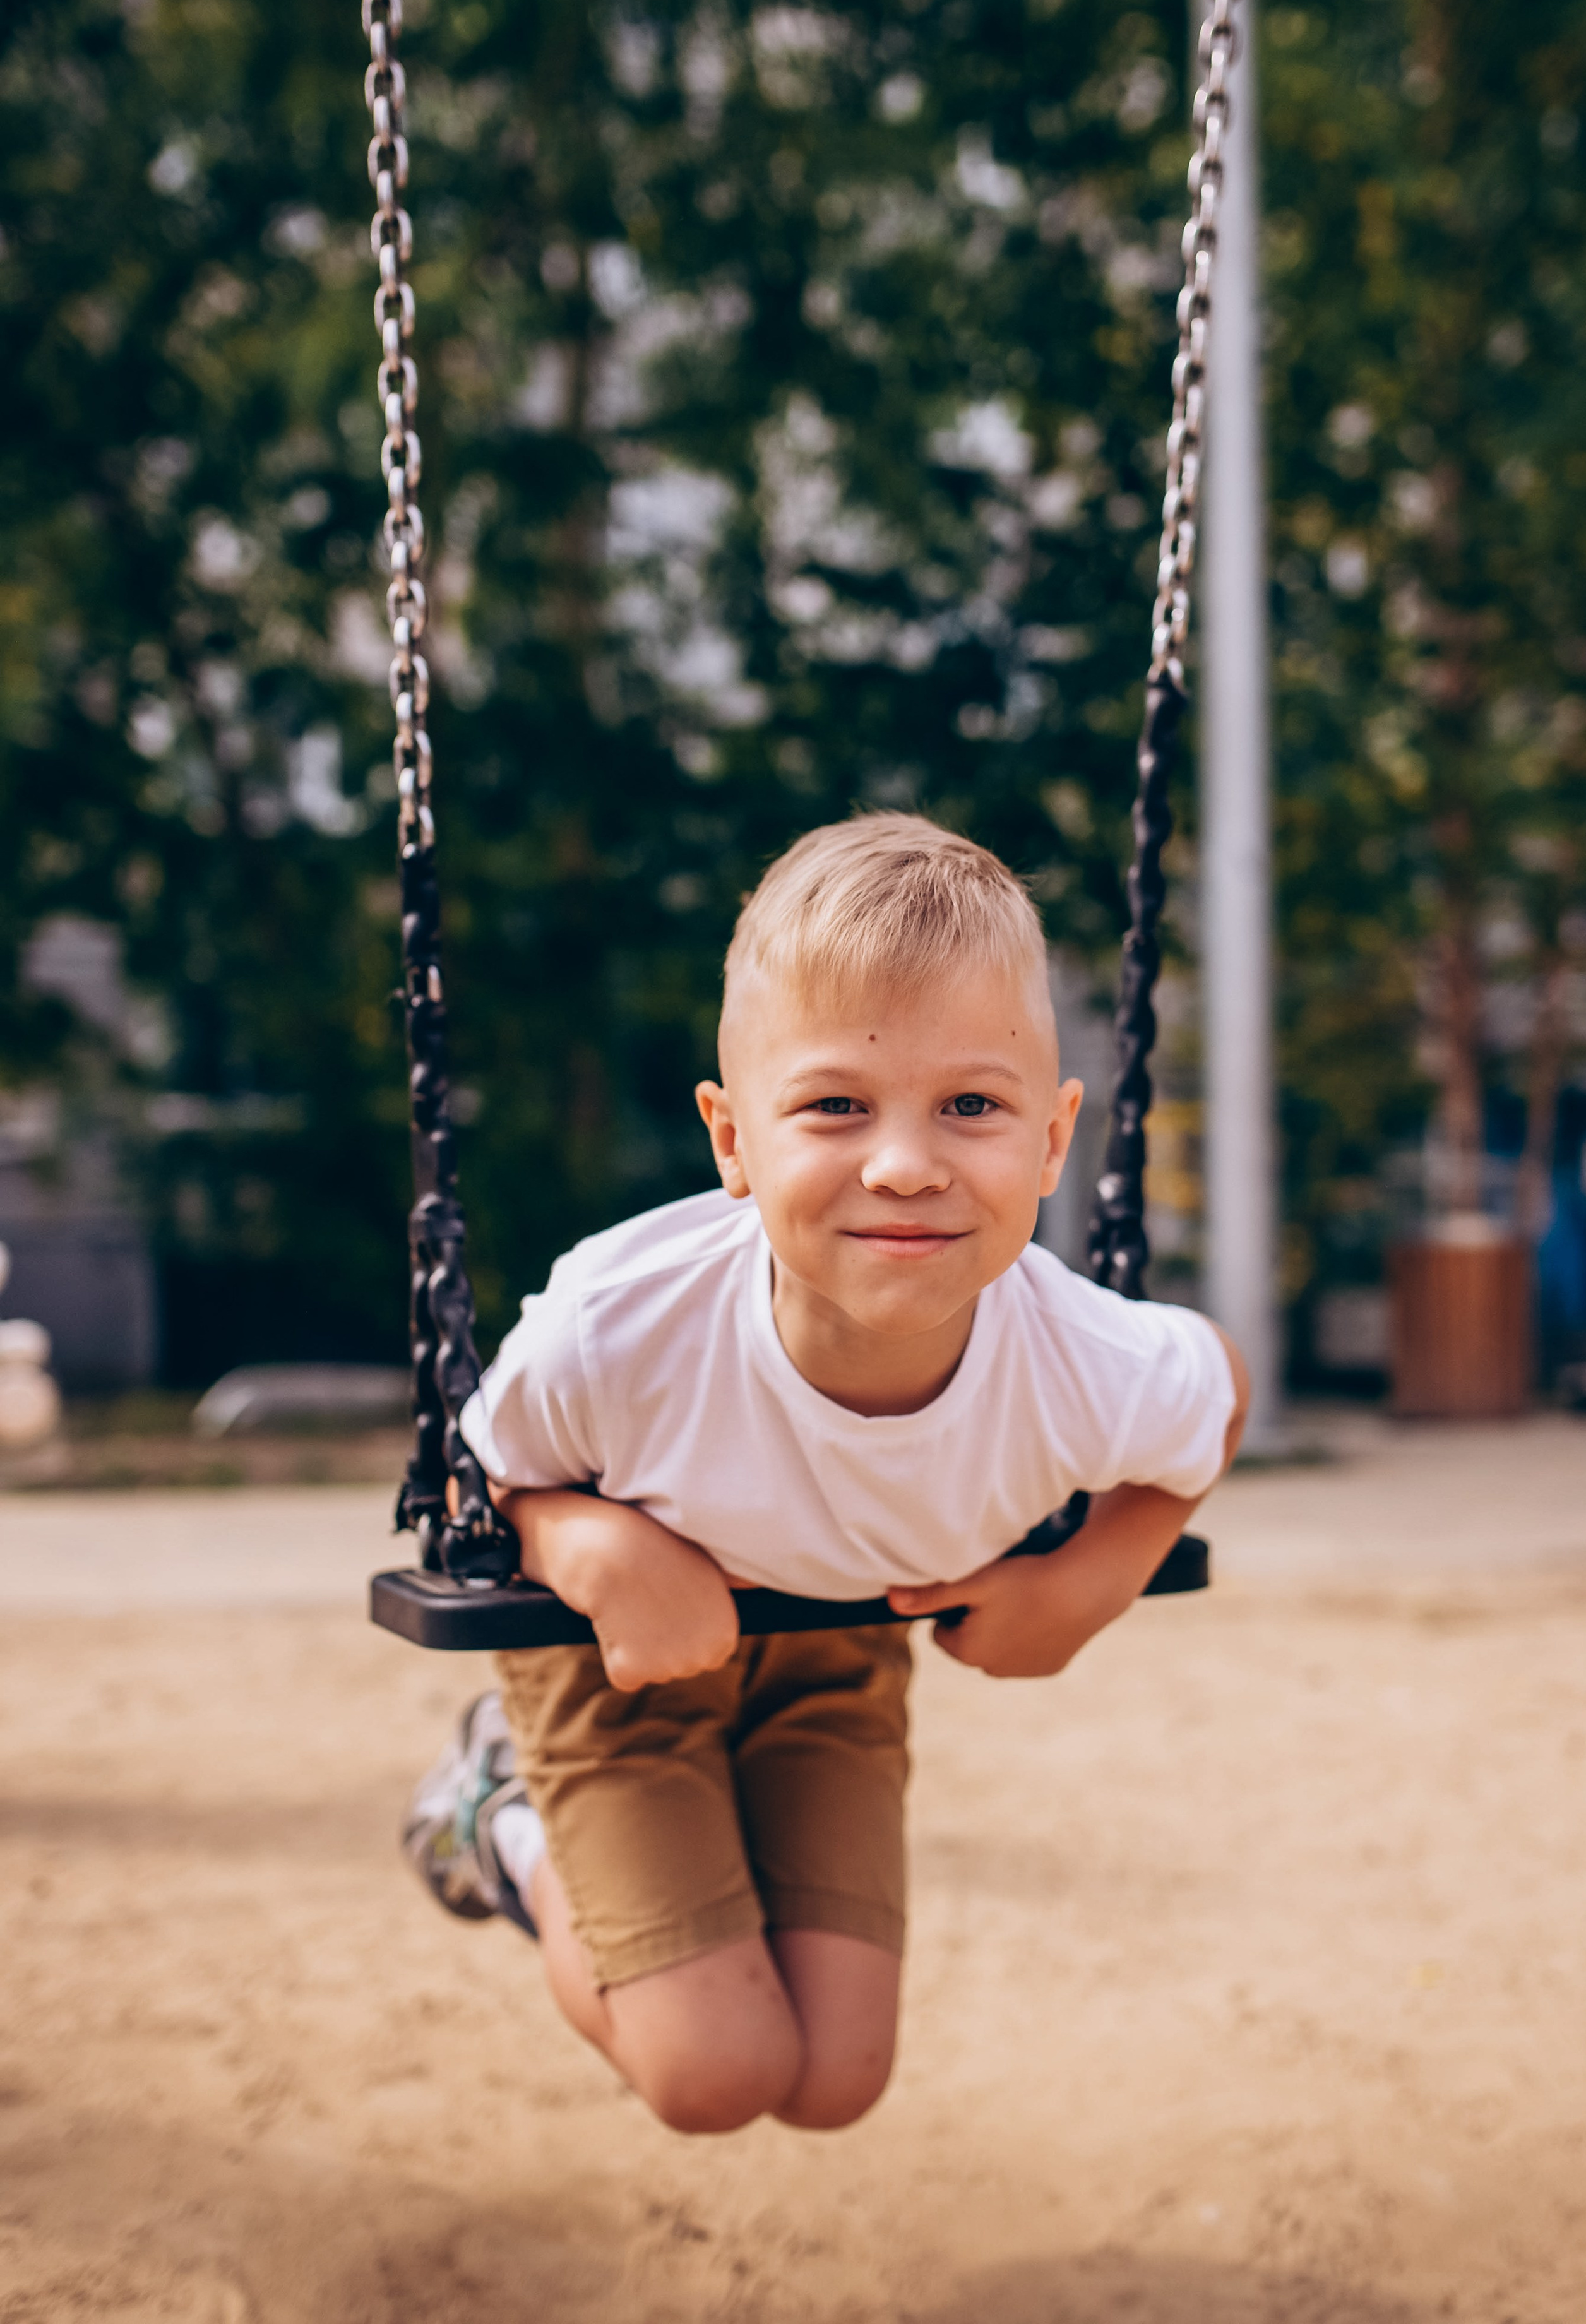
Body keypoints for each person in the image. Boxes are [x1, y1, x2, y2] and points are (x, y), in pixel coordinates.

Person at [402, 813, 1248, 2135]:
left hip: (836, 1646)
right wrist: (586, 1545)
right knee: (712, 2074)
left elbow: (1216, 1395)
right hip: (612, 1658)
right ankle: (491, 1812)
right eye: (834, 1107)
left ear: (1050, 1139)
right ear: (733, 1140)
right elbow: (479, 1475)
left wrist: (1092, 1580)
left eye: (969, 1105)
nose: (904, 1164)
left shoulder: (1077, 1355)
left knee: (836, 2080)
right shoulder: (621, 1329)